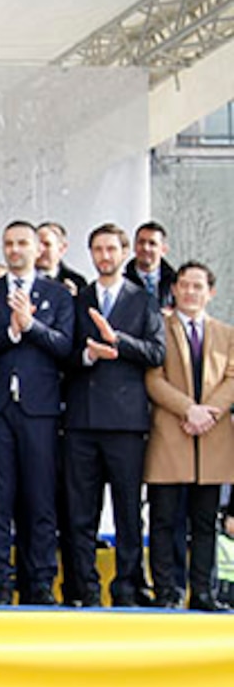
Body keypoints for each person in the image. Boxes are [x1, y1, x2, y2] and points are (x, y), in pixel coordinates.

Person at [0, 220, 74, 605]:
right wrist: (11, 334)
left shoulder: (57, 295)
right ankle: (1, 581)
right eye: (8, 243)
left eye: (22, 243)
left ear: (37, 249)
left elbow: (64, 346)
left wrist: (29, 326)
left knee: (40, 498)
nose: (14, 250)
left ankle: (41, 581)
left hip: (40, 410)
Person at [63, 224, 164, 607]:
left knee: (127, 511)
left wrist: (117, 343)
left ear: (125, 253)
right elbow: (64, 353)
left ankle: (126, 587)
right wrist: (88, 355)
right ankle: (85, 589)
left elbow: (156, 352)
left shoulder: (143, 300)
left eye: (111, 249)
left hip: (125, 422)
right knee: (81, 512)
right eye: (98, 250)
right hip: (82, 421)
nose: (105, 256)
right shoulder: (78, 298)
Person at [144, 262, 234, 611]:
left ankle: (204, 593)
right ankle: (168, 591)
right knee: (165, 519)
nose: (190, 292)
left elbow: (231, 378)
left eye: (198, 286)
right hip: (171, 432)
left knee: (205, 522)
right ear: (175, 289)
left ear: (210, 292)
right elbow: (154, 378)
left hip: (212, 437)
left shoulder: (226, 334)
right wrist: (188, 410)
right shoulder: (158, 328)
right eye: (184, 285)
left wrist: (209, 412)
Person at [124, 220, 175, 308]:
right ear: (134, 246)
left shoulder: (175, 283)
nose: (146, 248)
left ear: (164, 250)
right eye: (141, 242)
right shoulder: (122, 283)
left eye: (152, 243)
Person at [36, 220, 88, 296]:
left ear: (61, 249)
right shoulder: (20, 278)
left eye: (47, 244)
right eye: (37, 244)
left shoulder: (76, 281)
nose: (40, 249)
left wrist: (71, 298)